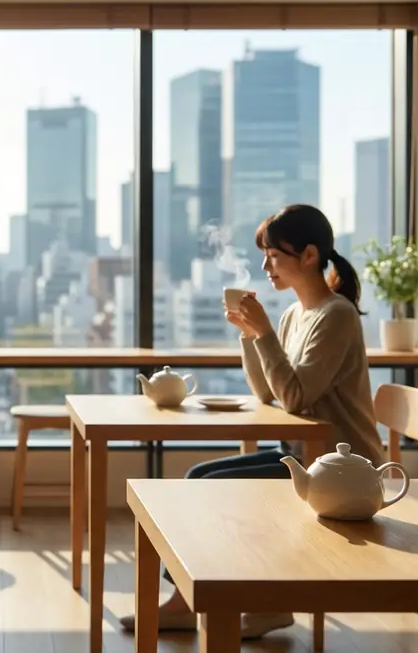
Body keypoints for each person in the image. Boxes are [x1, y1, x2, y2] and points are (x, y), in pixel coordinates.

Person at [121, 203, 381, 639]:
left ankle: (253, 605)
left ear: (310, 256)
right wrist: (250, 334)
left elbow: (296, 397)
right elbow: (269, 394)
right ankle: (202, 601)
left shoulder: (336, 316)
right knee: (201, 475)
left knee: (208, 484)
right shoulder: (294, 314)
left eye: (274, 255)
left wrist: (264, 336)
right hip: (302, 455)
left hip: (343, 468)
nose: (265, 266)